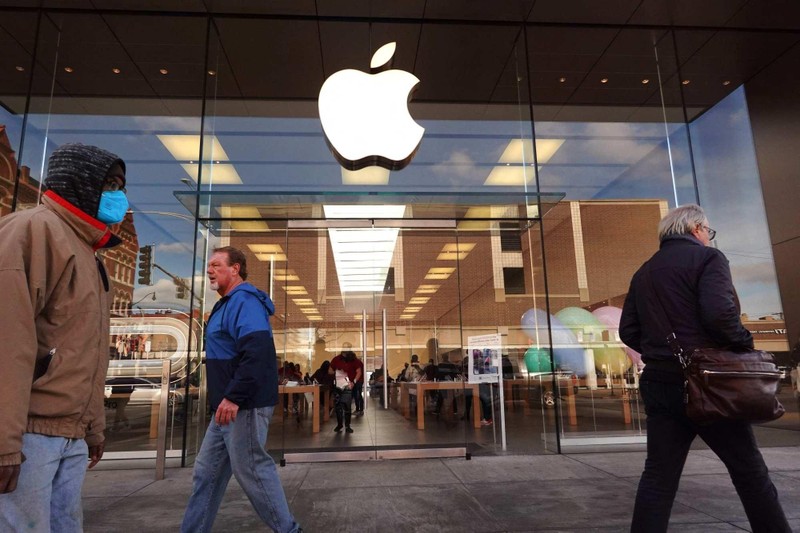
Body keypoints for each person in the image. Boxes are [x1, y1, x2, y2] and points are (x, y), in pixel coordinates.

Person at [620, 204, 790, 533]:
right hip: (710, 384)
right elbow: (719, 315)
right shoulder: (709, 259)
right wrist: (744, 343)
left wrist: (661, 354)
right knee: (750, 473)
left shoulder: (644, 272)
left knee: (658, 478)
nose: (709, 238)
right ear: (696, 228)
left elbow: (628, 331)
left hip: (660, 382)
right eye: (708, 232)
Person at [0, 143, 127, 531]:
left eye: (121, 185)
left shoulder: (90, 253)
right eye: (110, 184)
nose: (118, 195)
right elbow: (8, 343)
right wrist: (4, 441)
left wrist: (93, 427)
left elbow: (86, 352)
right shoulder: (32, 231)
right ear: (80, 183)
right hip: (29, 436)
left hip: (69, 436)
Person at [181, 246, 300, 533]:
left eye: (216, 264)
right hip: (224, 408)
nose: (210, 269)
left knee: (253, 472)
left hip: (241, 405)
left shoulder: (244, 301)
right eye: (209, 265)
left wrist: (234, 397)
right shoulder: (225, 303)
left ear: (235, 268)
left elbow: (257, 354)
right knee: (206, 474)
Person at [329, 349, 362, 433]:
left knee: (347, 406)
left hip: (348, 385)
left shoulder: (354, 359)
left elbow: (359, 372)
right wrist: (336, 372)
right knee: (338, 407)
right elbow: (330, 370)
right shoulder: (336, 359)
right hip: (338, 385)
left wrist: (353, 382)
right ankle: (340, 424)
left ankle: (347, 425)